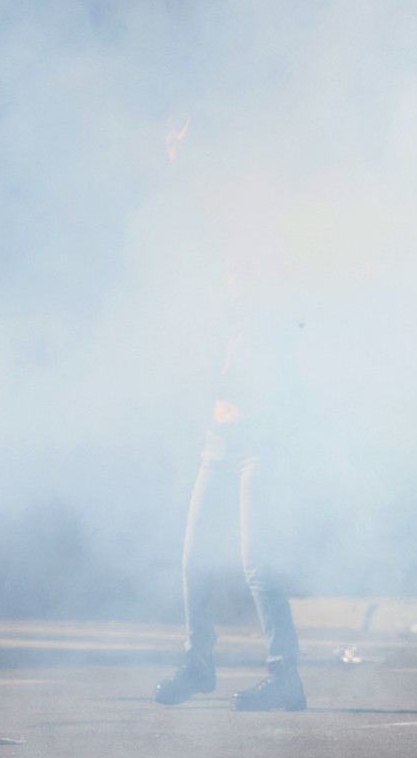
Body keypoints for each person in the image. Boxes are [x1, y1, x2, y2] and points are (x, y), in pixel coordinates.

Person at [154, 262, 308, 712]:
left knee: (257, 564)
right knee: (193, 561)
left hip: (259, 446)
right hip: (217, 447)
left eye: (243, 271)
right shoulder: (228, 323)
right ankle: (197, 663)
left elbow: (266, 384)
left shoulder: (276, 321)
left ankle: (285, 675)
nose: (233, 278)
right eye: (232, 271)